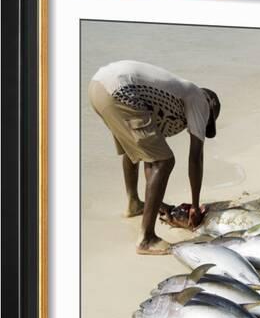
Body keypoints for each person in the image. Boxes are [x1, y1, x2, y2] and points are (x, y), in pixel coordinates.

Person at [88, 60, 221, 255]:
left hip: (98, 87)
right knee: (165, 161)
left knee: (135, 150)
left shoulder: (173, 100)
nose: (200, 125)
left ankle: (134, 204)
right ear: (210, 107)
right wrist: (194, 206)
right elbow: (196, 158)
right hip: (121, 91)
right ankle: (147, 238)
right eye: (206, 121)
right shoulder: (200, 99)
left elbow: (147, 153)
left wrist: (159, 204)